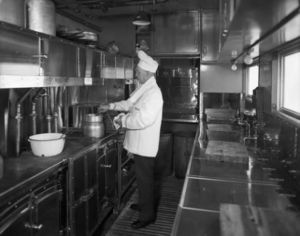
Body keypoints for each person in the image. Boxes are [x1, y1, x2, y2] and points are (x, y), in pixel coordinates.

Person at [98, 49, 163, 229]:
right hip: (138, 143)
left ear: (147, 73)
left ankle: (147, 216)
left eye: (137, 72)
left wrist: (122, 120)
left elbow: (143, 119)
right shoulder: (144, 88)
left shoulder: (154, 94)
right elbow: (129, 104)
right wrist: (111, 106)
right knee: (141, 178)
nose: (135, 74)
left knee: (145, 179)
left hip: (145, 146)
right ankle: (144, 204)